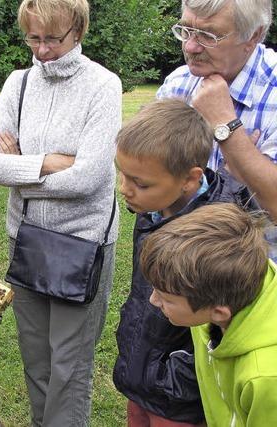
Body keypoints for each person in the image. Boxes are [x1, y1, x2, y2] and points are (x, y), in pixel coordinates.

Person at [0, 0, 121, 424]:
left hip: (82, 242)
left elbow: (88, 179)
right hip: (25, 238)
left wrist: (20, 165)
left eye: (52, 39)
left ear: (77, 31)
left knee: (70, 364)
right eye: (33, 38)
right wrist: (47, 161)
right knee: (37, 357)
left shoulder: (102, 85)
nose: (41, 50)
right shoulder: (17, 84)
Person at [112, 99, 260, 427]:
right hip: (143, 373)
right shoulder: (155, 205)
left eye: (140, 183)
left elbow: (224, 324)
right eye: (123, 174)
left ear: (190, 180)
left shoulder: (219, 232)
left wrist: (176, 373)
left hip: (181, 396)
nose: (126, 189)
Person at [140, 203, 277, 426]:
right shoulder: (222, 294)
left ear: (218, 312)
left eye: (166, 298)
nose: (153, 301)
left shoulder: (266, 378)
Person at [157, 0, 277, 254]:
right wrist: (241, 177)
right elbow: (148, 182)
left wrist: (226, 128)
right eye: (186, 30)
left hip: (259, 278)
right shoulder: (178, 84)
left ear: (253, 36)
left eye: (208, 35)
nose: (190, 46)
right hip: (180, 262)